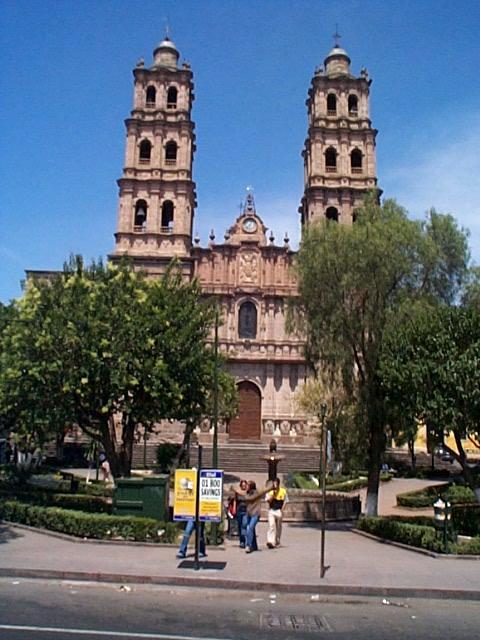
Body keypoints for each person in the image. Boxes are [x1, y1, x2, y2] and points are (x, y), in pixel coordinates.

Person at [244, 480, 270, 554]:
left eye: (247, 486)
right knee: (251, 529)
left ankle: (248, 545)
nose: (246, 487)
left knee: (249, 528)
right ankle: (254, 545)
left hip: (255, 514)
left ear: (251, 487)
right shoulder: (247, 493)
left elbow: (264, 491)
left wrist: (271, 487)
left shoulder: (257, 493)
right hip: (249, 513)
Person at [265, 477, 288, 549]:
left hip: (278, 510)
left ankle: (277, 541)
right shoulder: (269, 492)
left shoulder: (283, 491)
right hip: (272, 510)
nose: (275, 485)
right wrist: (273, 494)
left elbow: (286, 501)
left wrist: (282, 509)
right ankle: (270, 541)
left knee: (278, 527)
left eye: (276, 484)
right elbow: (268, 501)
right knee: (271, 525)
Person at [231, 479, 248, 548]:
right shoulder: (238, 492)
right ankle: (242, 541)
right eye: (242, 485)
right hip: (239, 510)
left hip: (246, 510)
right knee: (240, 526)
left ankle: (245, 540)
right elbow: (235, 500)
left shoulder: (247, 492)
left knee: (244, 525)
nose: (244, 486)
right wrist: (234, 508)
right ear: (241, 486)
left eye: (245, 485)